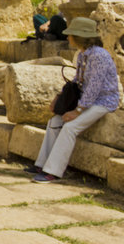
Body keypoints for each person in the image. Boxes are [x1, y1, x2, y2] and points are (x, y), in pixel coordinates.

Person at [28, 17, 120, 183]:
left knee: (70, 127)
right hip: (87, 99)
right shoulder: (82, 55)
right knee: (54, 121)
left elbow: (94, 88)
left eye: (71, 35)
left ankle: (53, 171)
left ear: (80, 37)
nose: (68, 38)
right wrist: (59, 98)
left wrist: (78, 111)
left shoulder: (99, 56)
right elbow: (78, 81)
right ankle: (41, 164)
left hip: (103, 101)